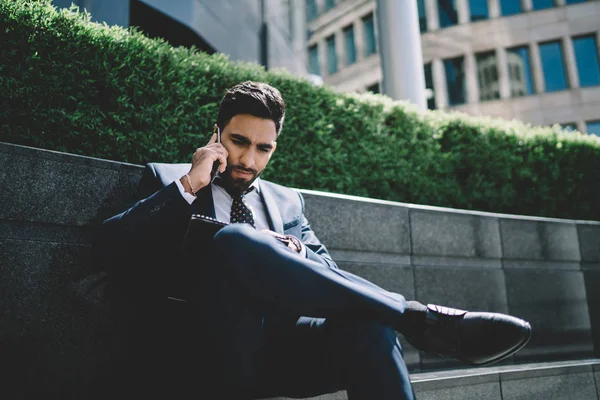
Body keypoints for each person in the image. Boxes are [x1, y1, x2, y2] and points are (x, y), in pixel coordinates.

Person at [95, 81, 531, 400]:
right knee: (233, 241)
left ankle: (400, 318)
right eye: (238, 142)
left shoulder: (287, 203)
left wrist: (293, 250)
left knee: (370, 326)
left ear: (275, 147)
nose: (248, 159)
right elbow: (111, 248)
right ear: (217, 134)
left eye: (263, 148)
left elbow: (329, 277)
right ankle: (419, 318)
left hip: (285, 358)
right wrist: (190, 184)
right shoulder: (171, 180)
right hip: (204, 357)